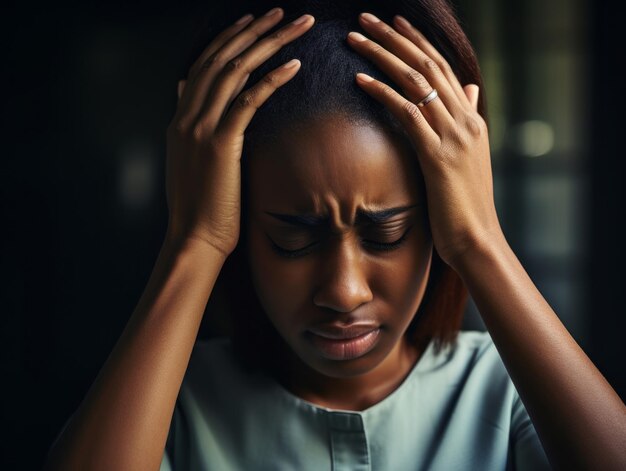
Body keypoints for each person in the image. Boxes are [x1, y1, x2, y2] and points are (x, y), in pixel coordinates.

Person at [43, 0, 626, 470]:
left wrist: (480, 239)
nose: (344, 293)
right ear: (240, 225)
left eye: (388, 233)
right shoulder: (171, 404)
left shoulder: (508, 393)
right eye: (293, 241)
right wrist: (193, 240)